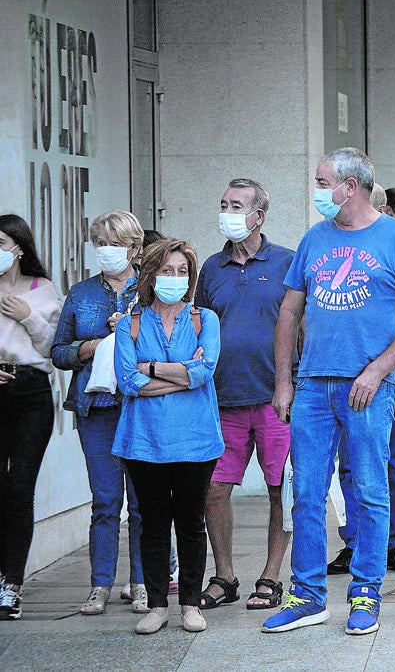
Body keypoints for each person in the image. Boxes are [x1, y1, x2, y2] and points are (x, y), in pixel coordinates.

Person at [263, 147, 395, 636]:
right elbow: (289, 313)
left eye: (322, 181)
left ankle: (365, 594)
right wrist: (283, 381)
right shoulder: (314, 239)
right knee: (307, 493)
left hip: (369, 388)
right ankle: (308, 595)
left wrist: (378, 370)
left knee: (371, 492)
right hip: (314, 386)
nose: (317, 190)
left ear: (350, 186)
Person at [195, 179, 295, 611]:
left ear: (259, 215)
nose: (228, 211)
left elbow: (302, 325)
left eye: (236, 205)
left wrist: (291, 383)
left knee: (280, 490)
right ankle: (225, 576)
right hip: (222, 399)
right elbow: (197, 325)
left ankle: (272, 576)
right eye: (223, 204)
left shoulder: (288, 262)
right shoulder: (211, 268)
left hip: (276, 398)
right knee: (214, 490)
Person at [113, 239, 222, 634]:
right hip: (144, 439)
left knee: (191, 522)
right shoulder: (131, 322)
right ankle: (157, 605)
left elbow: (205, 371)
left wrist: (153, 367)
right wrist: (181, 375)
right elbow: (128, 381)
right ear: (149, 274)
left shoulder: (204, 319)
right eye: (166, 270)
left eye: (181, 272)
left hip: (196, 439)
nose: (173, 278)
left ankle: (190, 604)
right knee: (153, 523)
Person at [52, 210, 147, 616]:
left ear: (134, 247)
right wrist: (89, 347)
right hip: (96, 408)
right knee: (105, 500)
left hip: (143, 406)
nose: (107, 250)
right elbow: (58, 352)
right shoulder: (81, 293)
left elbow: (174, 340)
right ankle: (100, 585)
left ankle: (144, 582)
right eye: (100, 242)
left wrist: (131, 330)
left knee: (146, 501)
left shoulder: (151, 290)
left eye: (115, 242)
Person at [329, 186, 395, 578]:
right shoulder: (340, 248)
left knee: (394, 459)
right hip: (351, 369)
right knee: (350, 464)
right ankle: (354, 541)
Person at [0, 215, 60, 621]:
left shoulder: (43, 290)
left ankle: (12, 585)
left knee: (19, 489)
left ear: (18, 247)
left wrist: (27, 315)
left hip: (31, 391)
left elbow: (53, 346)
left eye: (1, 241)